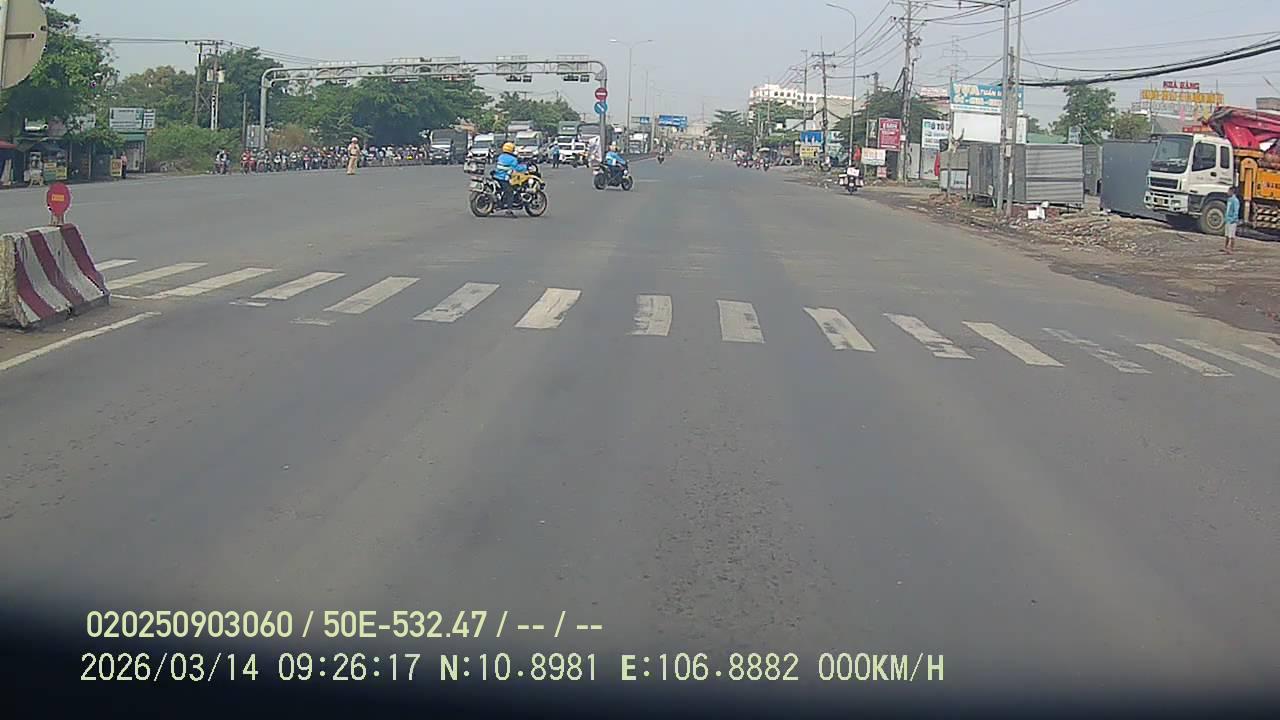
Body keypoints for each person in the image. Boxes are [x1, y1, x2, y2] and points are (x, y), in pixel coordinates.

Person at [492, 141, 526, 215]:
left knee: (506, 190)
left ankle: (502, 202)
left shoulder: (501, 156)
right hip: (503, 177)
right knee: (510, 192)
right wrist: (525, 167)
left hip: (497, 176)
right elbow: (517, 168)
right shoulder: (513, 159)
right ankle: (509, 210)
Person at [1223, 186, 1240, 254]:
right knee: (1227, 235)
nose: (1227, 192)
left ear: (1232, 192)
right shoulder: (1229, 199)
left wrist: (1233, 219)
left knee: (1232, 236)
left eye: (1229, 191)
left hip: (1232, 221)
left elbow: (1236, 211)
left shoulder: (1235, 201)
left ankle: (1231, 249)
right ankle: (1226, 247)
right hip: (1228, 219)